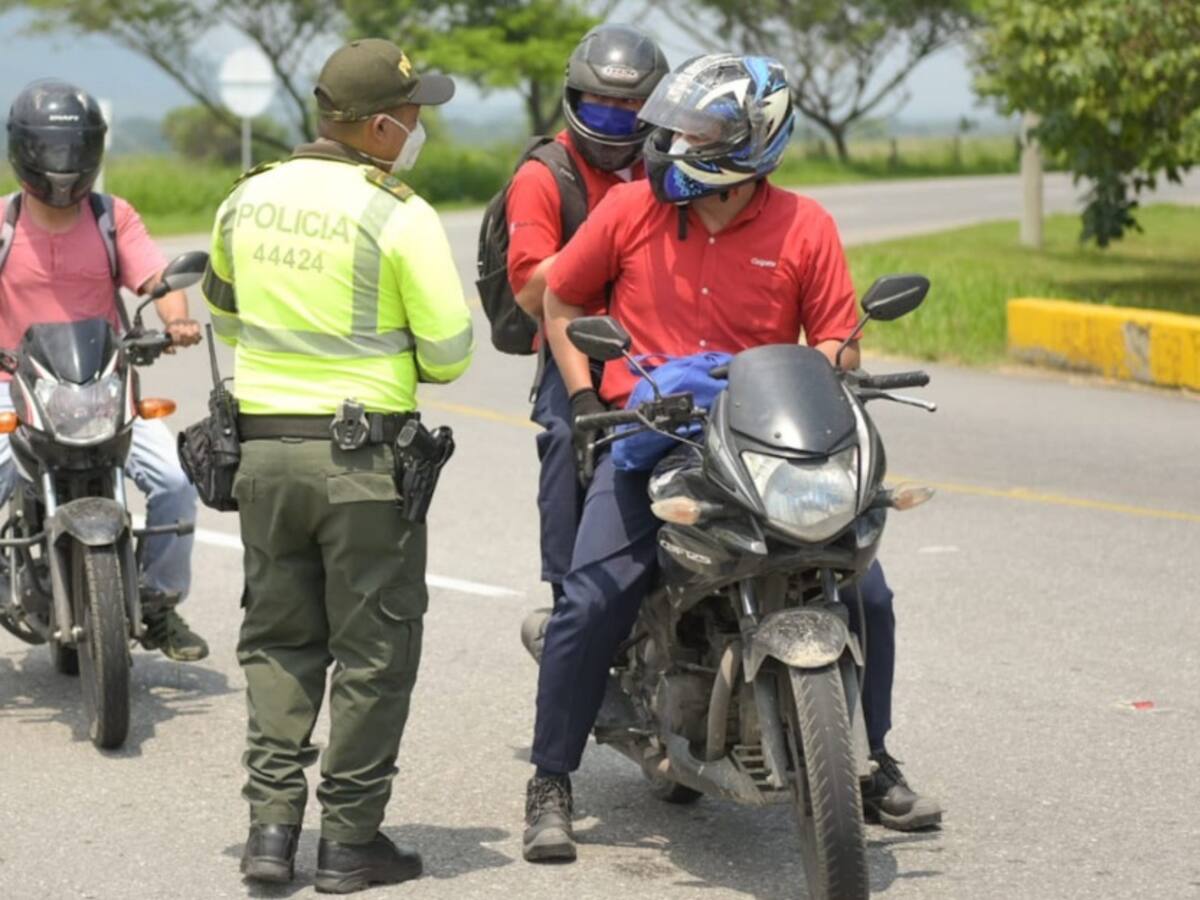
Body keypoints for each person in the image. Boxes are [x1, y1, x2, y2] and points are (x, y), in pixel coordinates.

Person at [524, 54, 941, 863]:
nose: (675, 142)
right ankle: (550, 778)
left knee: (871, 594)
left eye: (701, 132)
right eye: (678, 127)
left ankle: (871, 760)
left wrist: (826, 364)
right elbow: (561, 297)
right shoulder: (633, 211)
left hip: (764, 442)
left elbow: (834, 339)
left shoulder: (805, 226)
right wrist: (583, 397)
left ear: (753, 142)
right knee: (593, 596)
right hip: (655, 440)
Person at [201, 39, 473, 892]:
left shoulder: (245, 201)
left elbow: (226, 317)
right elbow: (453, 353)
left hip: (263, 456)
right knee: (373, 650)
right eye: (416, 113)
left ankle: (271, 835)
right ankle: (349, 841)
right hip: (364, 466)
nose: (422, 124)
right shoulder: (397, 213)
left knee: (278, 640)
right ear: (382, 127)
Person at [0, 79, 205, 661]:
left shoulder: (113, 217)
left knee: (174, 482)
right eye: (51, 154)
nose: (63, 168)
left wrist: (177, 319)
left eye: (73, 153)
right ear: (25, 153)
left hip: (102, 386)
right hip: (13, 387)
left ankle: (160, 603)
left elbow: (158, 281)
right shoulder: (3, 224)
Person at [507, 23, 668, 614]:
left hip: (660, 342)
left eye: (629, 107)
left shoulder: (664, 169)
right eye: (600, 105)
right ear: (576, 101)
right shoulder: (545, 175)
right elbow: (528, 291)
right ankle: (569, 600)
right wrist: (599, 246)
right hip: (578, 345)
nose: (613, 119)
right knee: (564, 442)